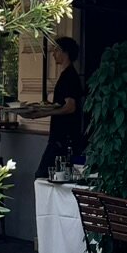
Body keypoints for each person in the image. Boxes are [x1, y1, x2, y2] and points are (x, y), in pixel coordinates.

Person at [36, 36, 85, 180]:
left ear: (65, 52)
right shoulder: (67, 75)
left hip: (63, 138)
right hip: (62, 138)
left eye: (56, 50)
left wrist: (48, 112)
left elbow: (70, 107)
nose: (53, 54)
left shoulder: (69, 77)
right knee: (55, 178)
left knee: (43, 176)